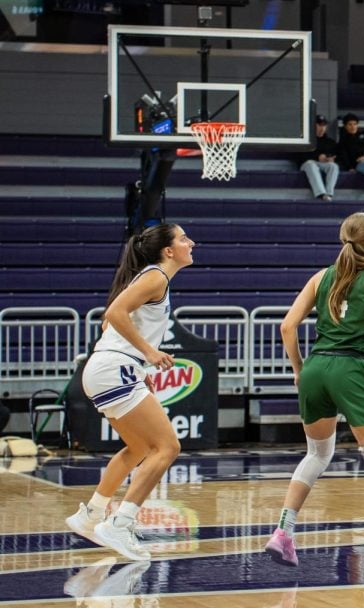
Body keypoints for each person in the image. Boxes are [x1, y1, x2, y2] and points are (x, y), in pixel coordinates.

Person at [264, 212, 364, 578]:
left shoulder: (322, 276)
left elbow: (287, 326)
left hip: (317, 367)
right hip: (351, 369)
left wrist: (299, 370)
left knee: (317, 454)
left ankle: (283, 532)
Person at [66, 224, 194, 561]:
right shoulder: (155, 277)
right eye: (183, 238)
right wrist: (148, 355)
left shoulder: (149, 279)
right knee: (167, 447)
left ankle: (91, 514)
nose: (190, 243)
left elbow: (109, 326)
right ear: (168, 250)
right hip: (113, 369)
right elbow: (112, 314)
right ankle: (120, 523)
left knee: (138, 448)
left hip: (107, 368)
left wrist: (139, 364)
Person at [299, 115, 339, 201]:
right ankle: (321, 194)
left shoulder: (330, 142)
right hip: (308, 164)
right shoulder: (306, 140)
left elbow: (337, 155)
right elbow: (300, 157)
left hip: (324, 164)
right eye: (319, 125)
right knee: (310, 164)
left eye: (324, 125)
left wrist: (331, 158)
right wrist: (317, 157)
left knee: (333, 166)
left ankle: (329, 194)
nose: (322, 128)